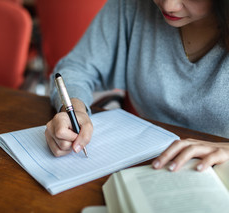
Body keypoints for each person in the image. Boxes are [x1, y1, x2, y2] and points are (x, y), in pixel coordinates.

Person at [45, 0, 229, 172]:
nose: (169, 5)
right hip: (146, 163)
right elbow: (76, 68)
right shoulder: (132, 5)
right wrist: (75, 110)